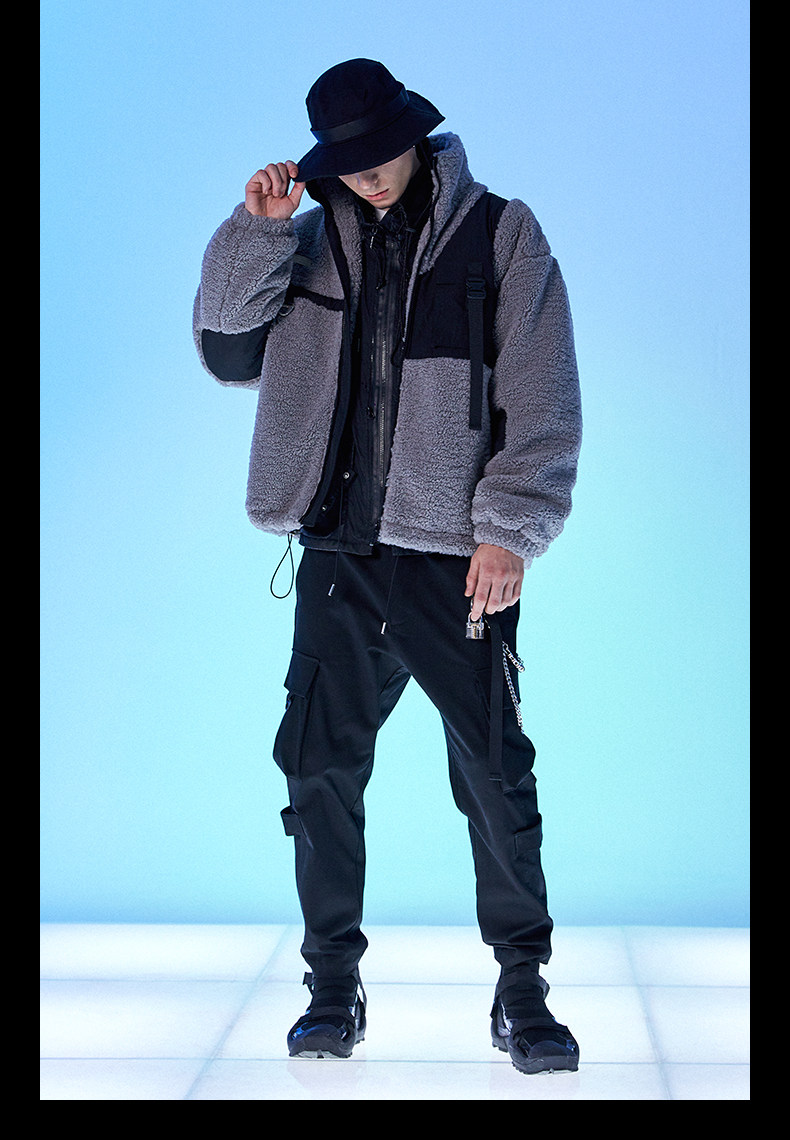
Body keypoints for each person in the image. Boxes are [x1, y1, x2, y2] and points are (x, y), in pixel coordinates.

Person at [193, 58, 582, 1075]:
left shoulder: (500, 232)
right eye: (349, 161)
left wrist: (511, 528)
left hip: (455, 557)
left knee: (493, 772)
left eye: (380, 154)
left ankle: (522, 992)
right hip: (339, 550)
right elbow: (226, 353)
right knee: (317, 768)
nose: (367, 175)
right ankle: (331, 988)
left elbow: (543, 390)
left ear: (414, 133)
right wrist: (256, 232)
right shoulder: (306, 239)